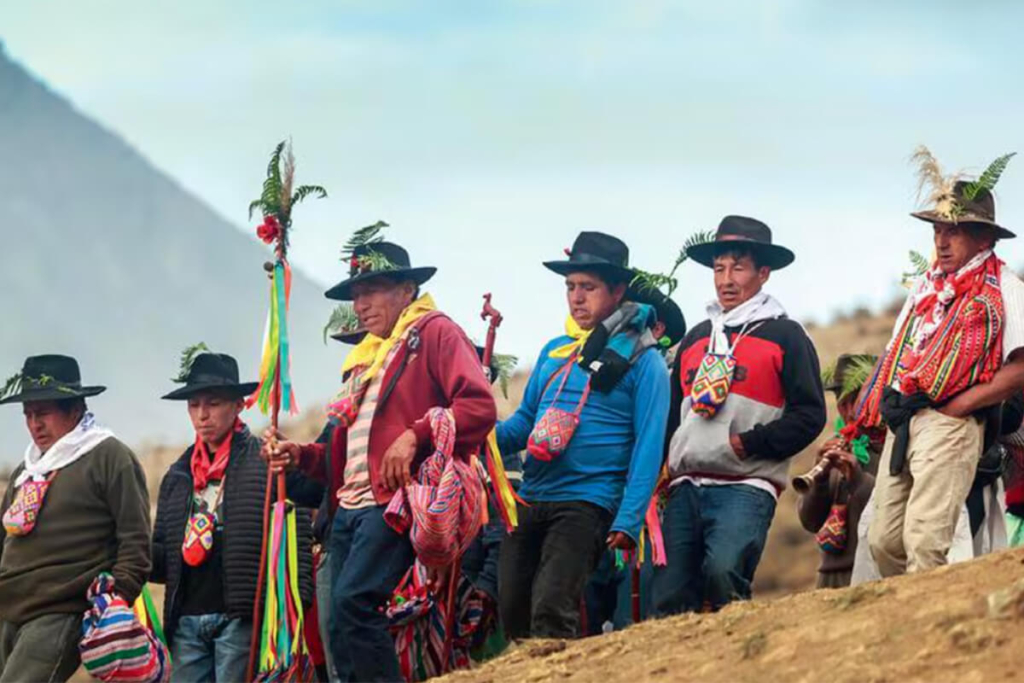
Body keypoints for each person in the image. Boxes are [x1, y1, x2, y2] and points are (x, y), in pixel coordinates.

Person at [264, 238, 497, 682]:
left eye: (372, 290)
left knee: (354, 603)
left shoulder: (434, 333)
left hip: (390, 503)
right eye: (355, 294)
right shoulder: (363, 363)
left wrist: (416, 435)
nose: (360, 303)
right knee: (339, 622)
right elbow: (343, 456)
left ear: (407, 290)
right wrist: (299, 457)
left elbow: (479, 407)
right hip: (348, 509)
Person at [853, 150, 1024, 577]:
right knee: (883, 539)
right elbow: (895, 355)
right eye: (938, 231)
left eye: (955, 232)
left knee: (926, 539)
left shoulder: (1004, 286)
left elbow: (1021, 368)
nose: (942, 242)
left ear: (983, 239)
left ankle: (922, 633)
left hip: (951, 423)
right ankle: (912, 618)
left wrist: (960, 406)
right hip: (905, 420)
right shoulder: (924, 289)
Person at [496, 231, 670, 639]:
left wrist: (628, 519)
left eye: (588, 287)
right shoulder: (555, 351)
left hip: (587, 504)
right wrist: (470, 438)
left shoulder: (646, 362)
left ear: (618, 290)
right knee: (512, 609)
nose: (576, 298)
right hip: (531, 497)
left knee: (552, 609)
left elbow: (648, 447)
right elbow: (524, 423)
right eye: (571, 287)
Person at [652, 216, 826, 615]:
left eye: (739, 267)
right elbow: (673, 419)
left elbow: (810, 414)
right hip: (684, 487)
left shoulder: (786, 336)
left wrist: (749, 443)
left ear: (763, 273)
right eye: (719, 268)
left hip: (745, 485)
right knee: (668, 594)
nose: (726, 279)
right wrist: (659, 470)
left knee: (724, 571)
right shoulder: (695, 338)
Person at [150, 349, 320, 682]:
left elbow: (299, 530)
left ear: (238, 405)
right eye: (194, 405)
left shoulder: (265, 463)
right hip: (186, 621)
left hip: (241, 618)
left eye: (212, 404)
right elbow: (161, 554)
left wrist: (290, 609)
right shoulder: (178, 476)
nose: (202, 415)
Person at [0, 355, 151, 683]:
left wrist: (114, 605)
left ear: (74, 409)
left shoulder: (109, 457)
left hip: (60, 609)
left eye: (43, 413)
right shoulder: (26, 471)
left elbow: (136, 541)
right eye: (28, 414)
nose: (34, 425)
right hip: (8, 608)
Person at [797, 354, 879, 589]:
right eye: (841, 404)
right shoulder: (835, 445)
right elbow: (810, 522)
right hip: (830, 578)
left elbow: (892, 511)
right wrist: (820, 480)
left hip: (874, 572)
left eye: (853, 402)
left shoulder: (892, 444)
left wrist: (858, 479)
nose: (847, 412)